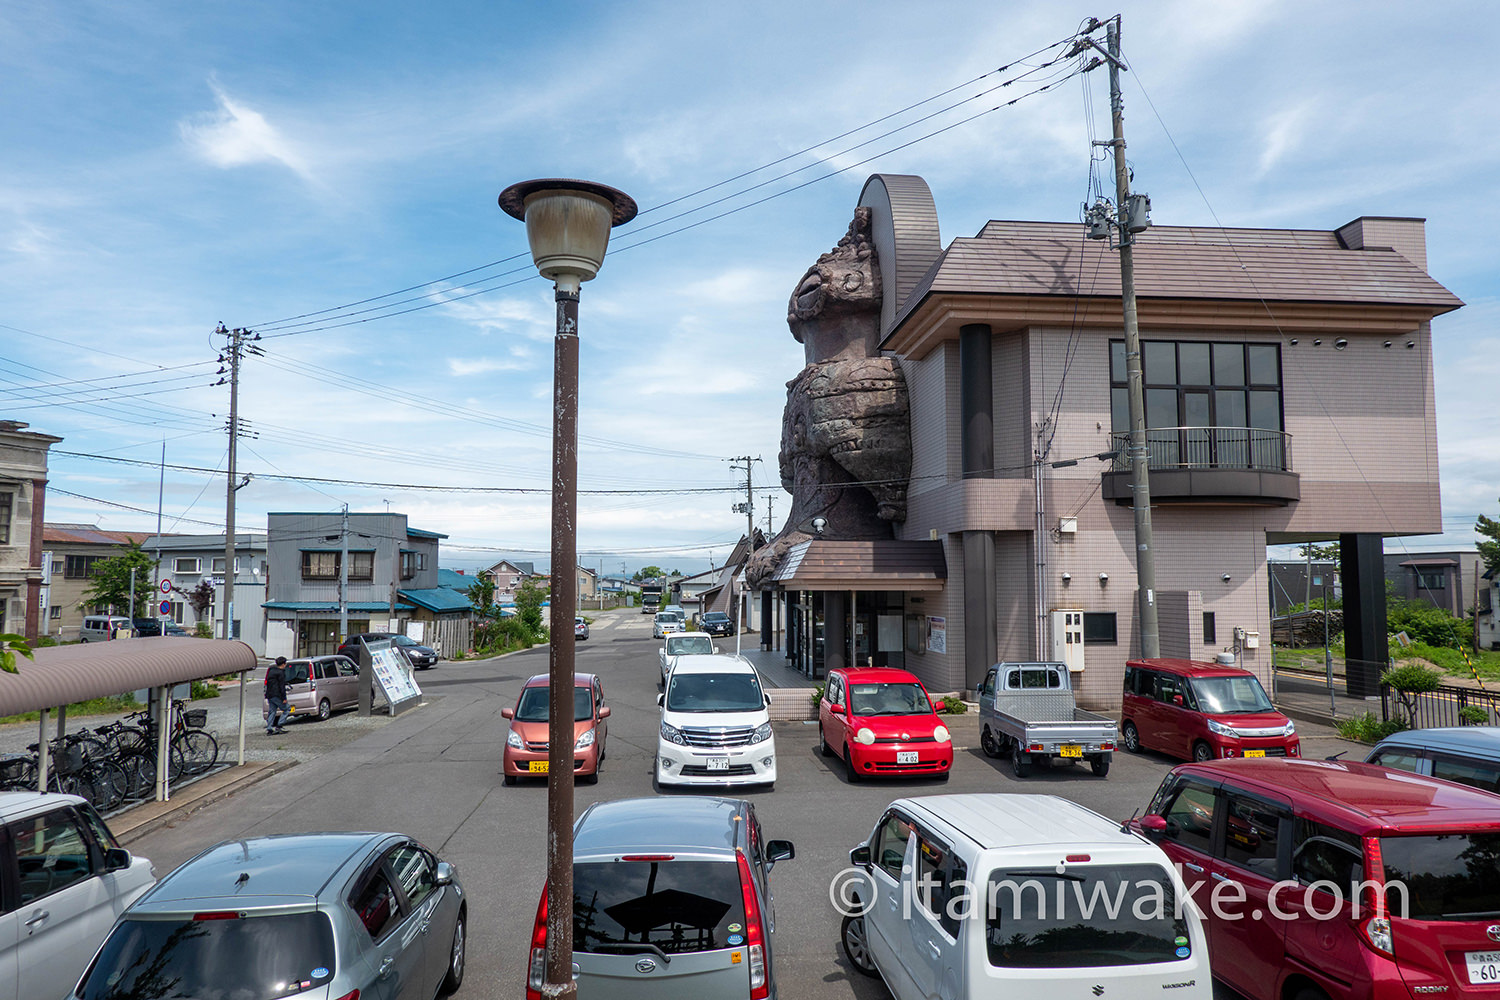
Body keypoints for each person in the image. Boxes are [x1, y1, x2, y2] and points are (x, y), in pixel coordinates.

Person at [265, 656, 290, 735]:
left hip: (269, 694)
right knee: (287, 709)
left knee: (272, 711)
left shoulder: (271, 671)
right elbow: (281, 686)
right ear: (283, 664)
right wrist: (284, 698)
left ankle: (269, 728)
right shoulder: (281, 673)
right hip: (277, 695)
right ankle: (279, 725)